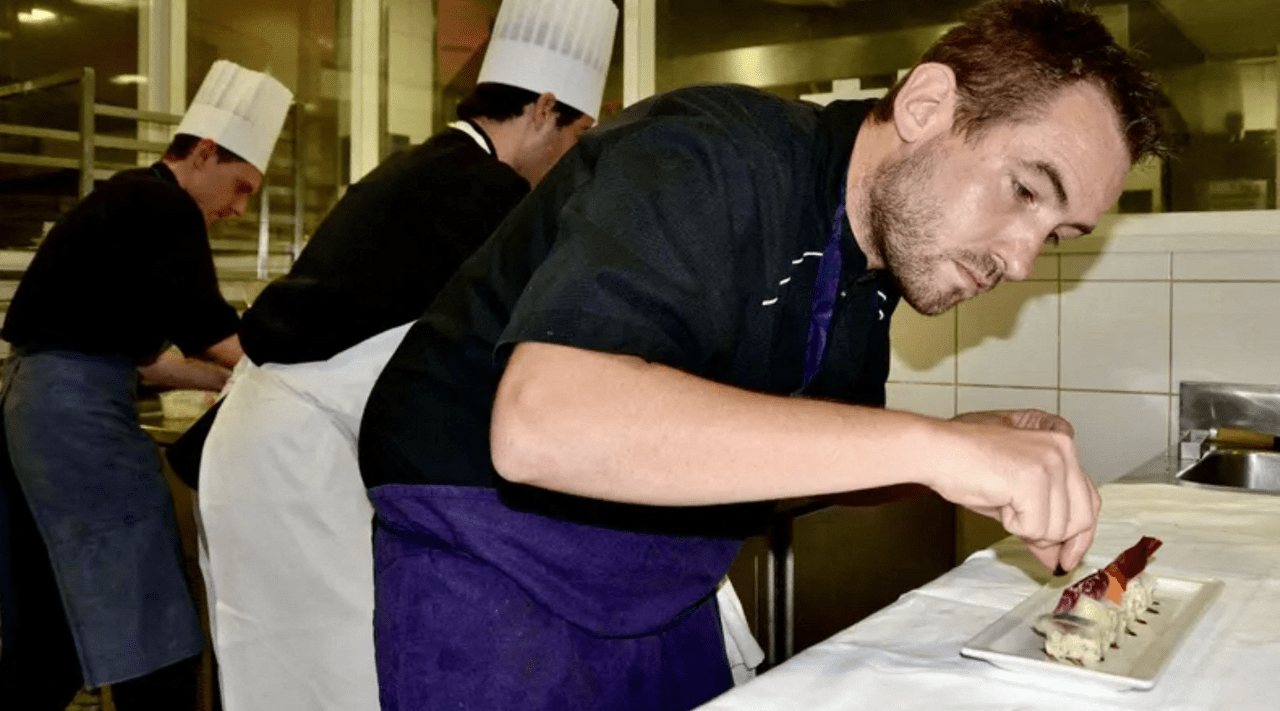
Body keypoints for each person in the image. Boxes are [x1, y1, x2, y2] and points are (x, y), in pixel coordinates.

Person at [355, 0, 1170, 709]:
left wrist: (955, 449)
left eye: (1057, 236)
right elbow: (543, 425)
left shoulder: (870, 262)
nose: (1022, 261)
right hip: (491, 568)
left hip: (661, 590)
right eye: (1027, 191)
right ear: (926, 104)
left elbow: (799, 445)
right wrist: (938, 445)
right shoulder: (710, 153)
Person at [194, 2, 620, 710]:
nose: (573, 158)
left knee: (331, 669)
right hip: (293, 459)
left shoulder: (442, 168)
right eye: (578, 134)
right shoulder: (476, 190)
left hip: (292, 448)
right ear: (544, 109)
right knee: (323, 672)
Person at [0, 60, 291, 711]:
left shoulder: (126, 199)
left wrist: (226, 377)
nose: (239, 208)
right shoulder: (164, 204)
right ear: (206, 151)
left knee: (52, 628)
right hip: (74, 418)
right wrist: (287, 370)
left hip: (32, 404)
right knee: (152, 622)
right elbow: (211, 332)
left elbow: (154, 361)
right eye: (240, 187)